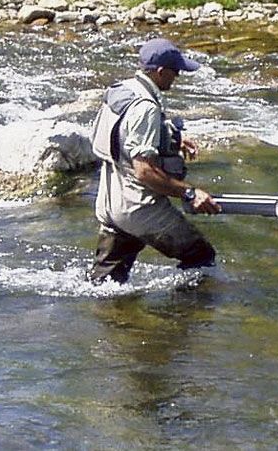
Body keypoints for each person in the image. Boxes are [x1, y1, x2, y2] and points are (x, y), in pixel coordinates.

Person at [87, 37, 222, 285]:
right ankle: (178, 321)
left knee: (103, 286)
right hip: (139, 208)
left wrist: (169, 138)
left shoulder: (122, 90)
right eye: (175, 71)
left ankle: (114, 321)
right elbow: (145, 172)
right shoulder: (146, 106)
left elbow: (120, 136)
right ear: (160, 72)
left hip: (109, 203)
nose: (177, 77)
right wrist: (190, 193)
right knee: (201, 257)